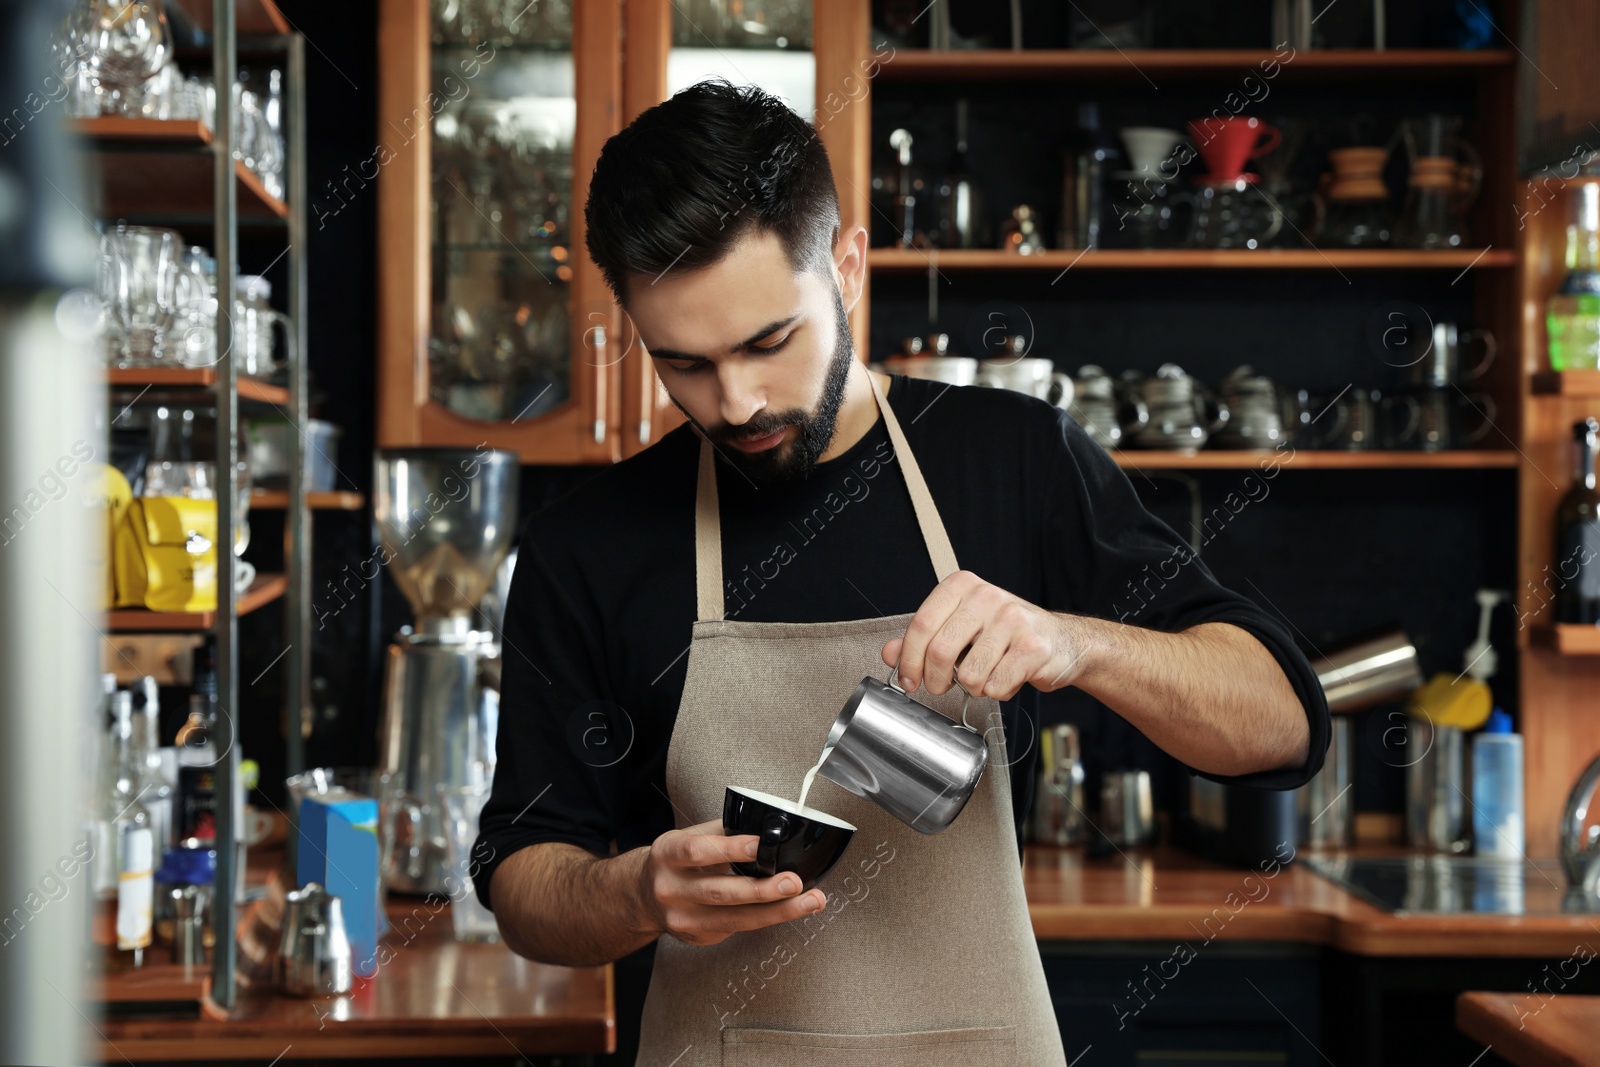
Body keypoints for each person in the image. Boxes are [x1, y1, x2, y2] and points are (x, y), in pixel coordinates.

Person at [474, 79, 1329, 1065]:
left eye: (768, 341)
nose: (739, 400)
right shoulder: (590, 541)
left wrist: (1077, 640)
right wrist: (633, 892)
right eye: (684, 364)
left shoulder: (1013, 460)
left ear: (846, 266)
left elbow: (1281, 725)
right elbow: (523, 883)